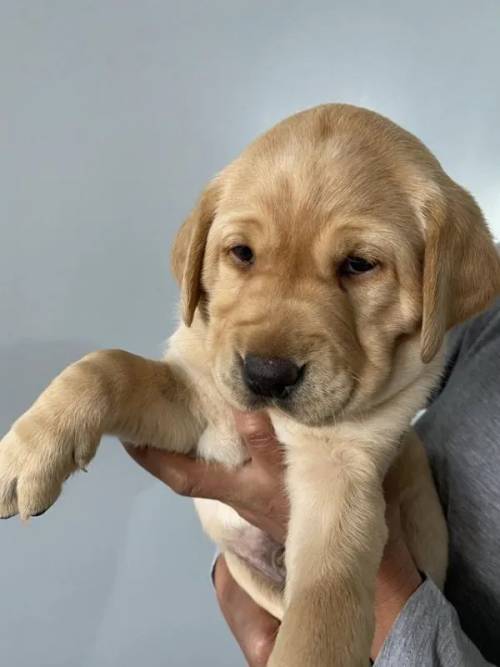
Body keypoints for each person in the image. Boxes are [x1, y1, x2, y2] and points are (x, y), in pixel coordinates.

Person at [125, 297, 500, 666]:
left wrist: (365, 573)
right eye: (244, 254)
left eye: (356, 264)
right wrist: (242, 550)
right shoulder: (492, 315)